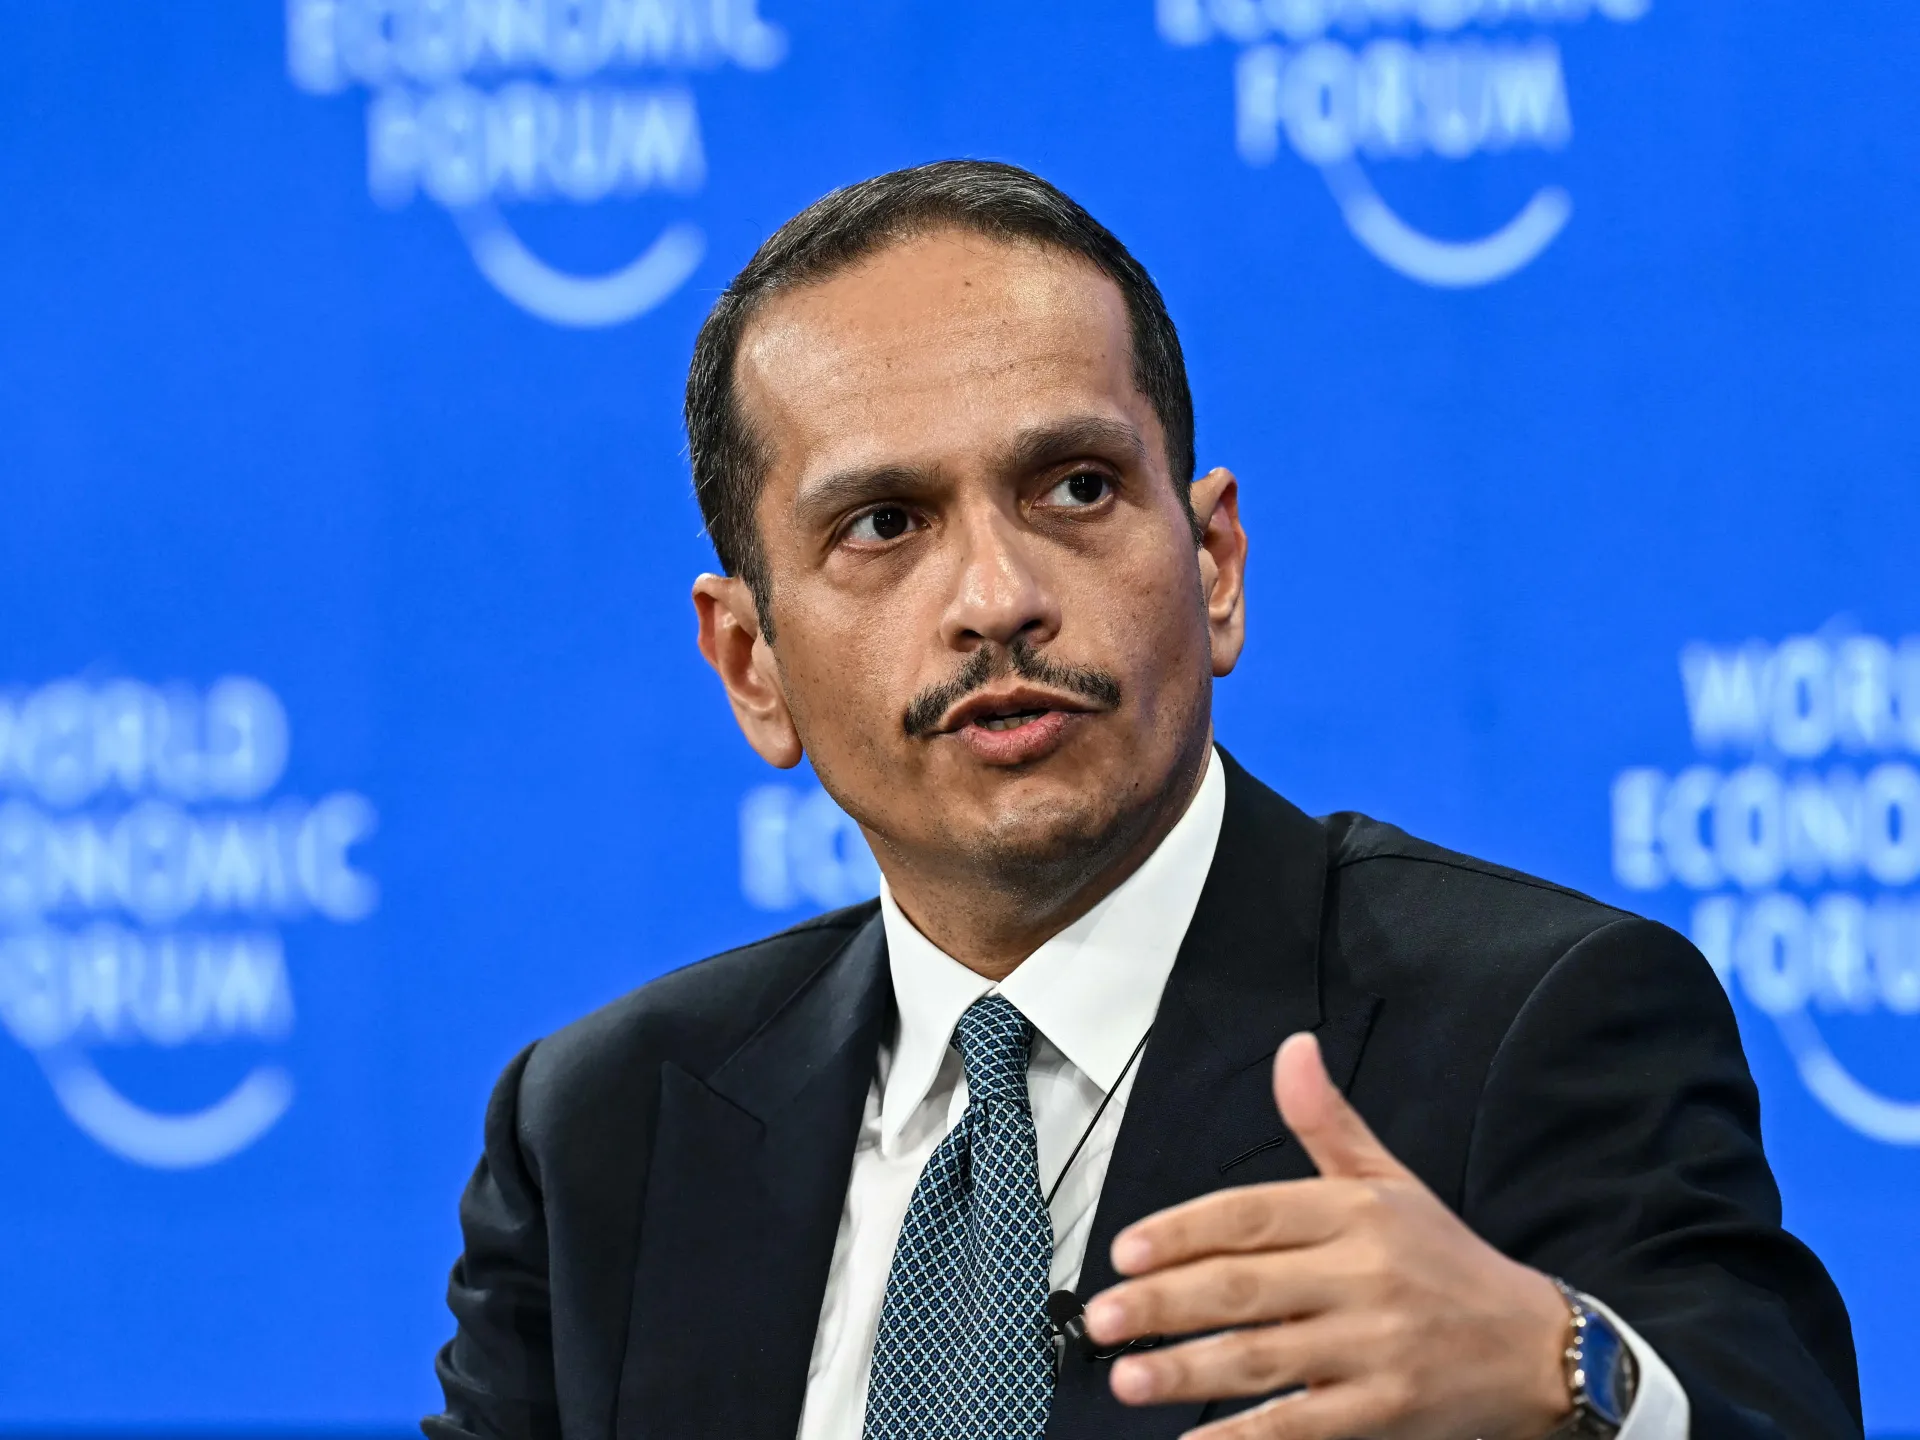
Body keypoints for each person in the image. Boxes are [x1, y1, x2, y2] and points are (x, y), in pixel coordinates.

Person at [424, 161, 1860, 1440]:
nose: (997, 597)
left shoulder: (1530, 1023)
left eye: (1075, 489)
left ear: (1215, 565)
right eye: (885, 524)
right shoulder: (603, 1130)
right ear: (754, 666)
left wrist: (1567, 1375)